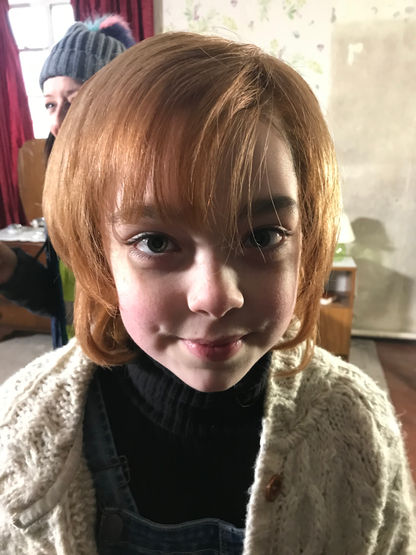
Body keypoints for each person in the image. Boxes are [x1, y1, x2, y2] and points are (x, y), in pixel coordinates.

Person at [0, 32, 414, 554]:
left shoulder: (357, 429)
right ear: (97, 251)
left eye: (262, 236)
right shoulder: (18, 434)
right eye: (156, 242)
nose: (216, 297)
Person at [0, 15, 134, 347]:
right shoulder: (64, 187)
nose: (58, 120)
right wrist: (8, 266)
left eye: (74, 101)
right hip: (79, 359)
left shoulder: (145, 190)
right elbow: (65, 302)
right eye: (50, 104)